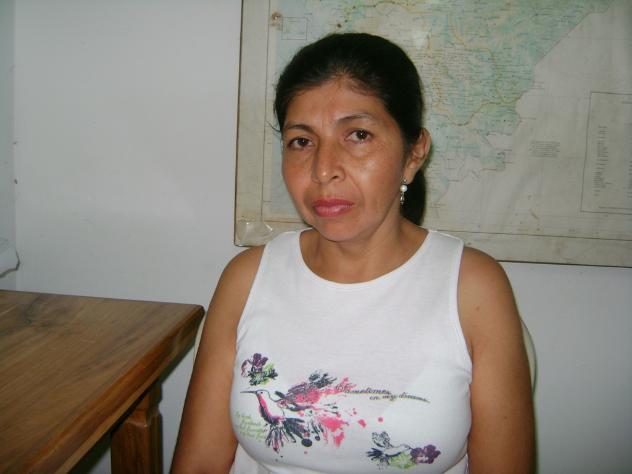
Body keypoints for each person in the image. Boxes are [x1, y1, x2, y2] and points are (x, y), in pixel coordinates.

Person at [172, 33, 534, 474]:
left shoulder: (472, 288)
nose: (324, 169)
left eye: (358, 135)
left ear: (414, 153)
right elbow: (200, 462)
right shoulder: (247, 278)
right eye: (302, 141)